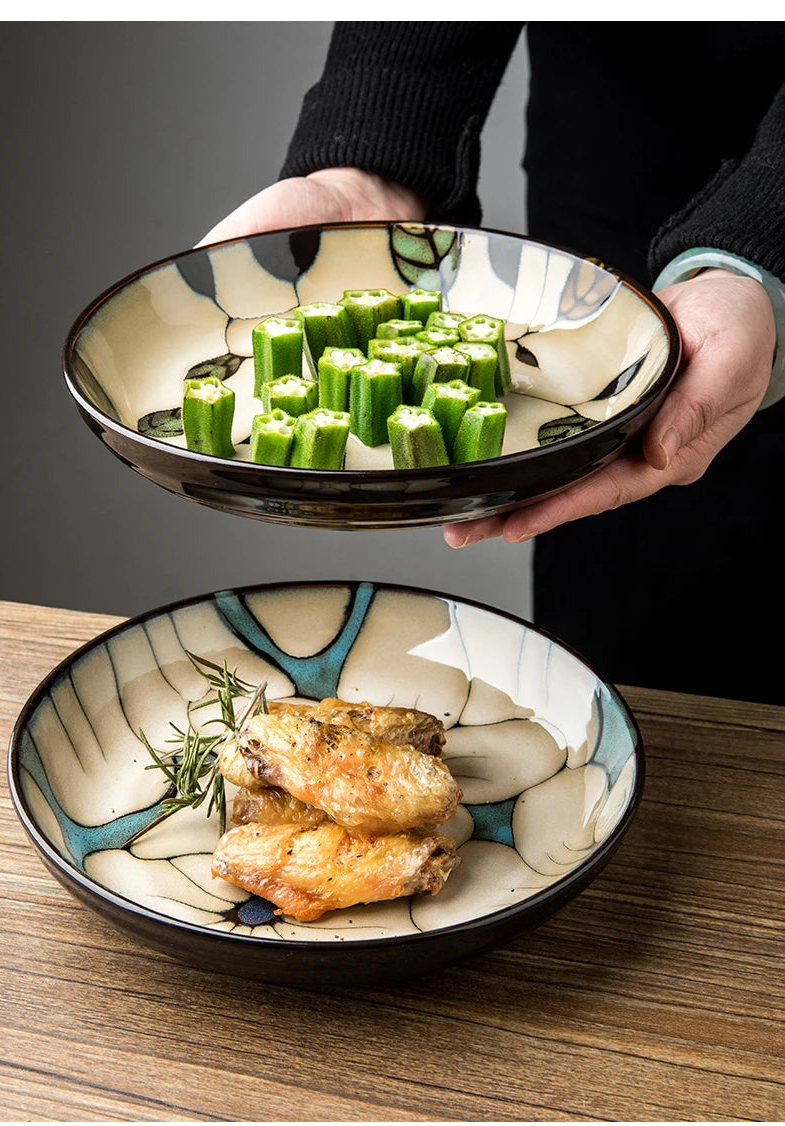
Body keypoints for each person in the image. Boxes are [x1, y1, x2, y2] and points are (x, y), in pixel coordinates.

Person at [202, 22, 785, 704]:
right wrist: (374, 149)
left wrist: (765, 244)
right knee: (630, 675)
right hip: (617, 171)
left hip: (739, 284)